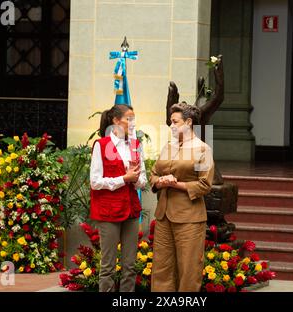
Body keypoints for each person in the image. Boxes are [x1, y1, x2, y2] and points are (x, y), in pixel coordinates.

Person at [150, 102, 215, 292]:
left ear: (188, 122)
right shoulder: (168, 147)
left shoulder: (203, 149)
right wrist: (160, 181)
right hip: (163, 215)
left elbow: (204, 184)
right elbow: (154, 173)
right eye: (170, 122)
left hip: (189, 217)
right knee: (161, 267)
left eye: (175, 122)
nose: (171, 125)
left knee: (189, 268)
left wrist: (174, 184)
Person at [89, 104, 147, 292]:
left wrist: (136, 178)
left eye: (134, 119)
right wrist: (124, 178)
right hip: (108, 212)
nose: (132, 123)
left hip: (130, 209)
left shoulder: (135, 145)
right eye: (128, 119)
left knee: (130, 265)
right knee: (108, 267)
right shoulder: (102, 145)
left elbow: (143, 181)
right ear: (115, 121)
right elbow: (95, 182)